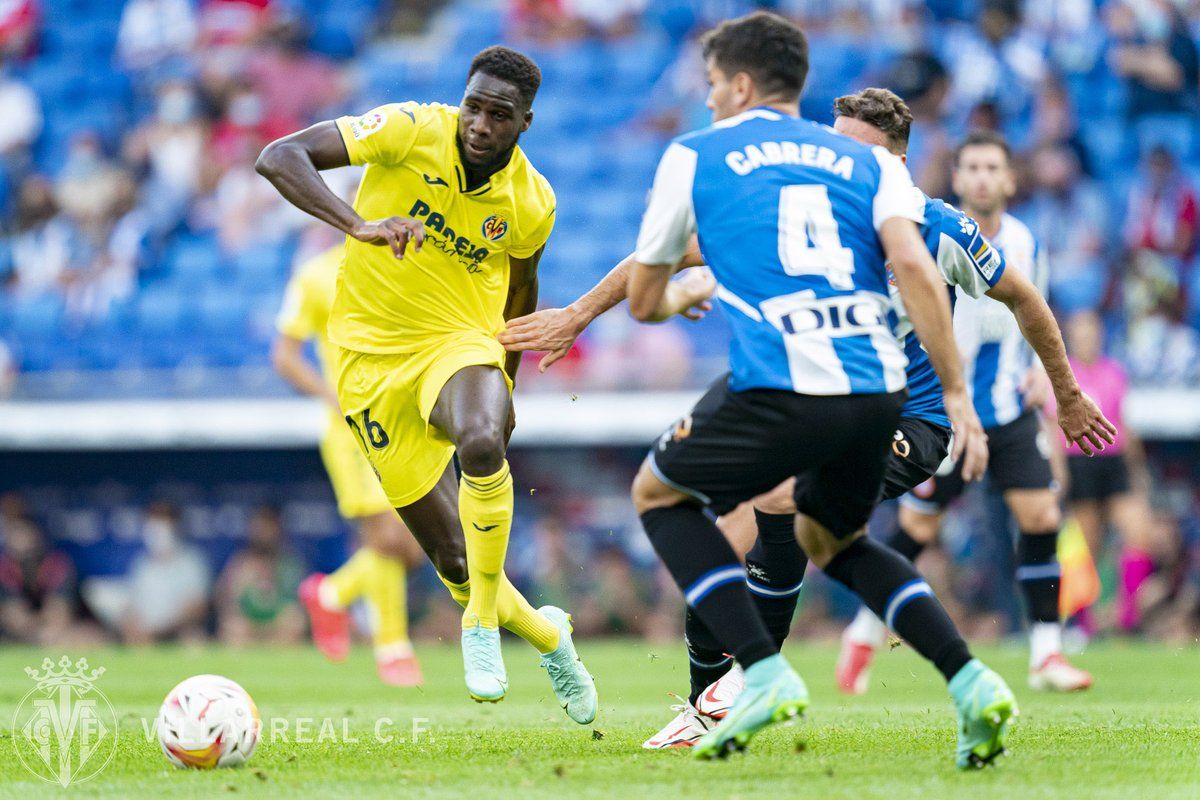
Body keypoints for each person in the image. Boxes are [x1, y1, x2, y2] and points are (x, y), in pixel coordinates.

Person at [503, 87, 1113, 748]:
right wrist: (576, 314)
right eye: (834, 142)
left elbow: (1024, 298)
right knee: (732, 536)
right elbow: (667, 255)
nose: (834, 158)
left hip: (911, 417)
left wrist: (1069, 395)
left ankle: (758, 676)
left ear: (897, 160)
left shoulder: (932, 226)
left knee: (783, 502)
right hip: (818, 403)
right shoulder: (802, 214)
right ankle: (710, 706)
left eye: (854, 149)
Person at [623, 11, 1009, 766]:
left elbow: (644, 300)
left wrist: (678, 297)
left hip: (785, 377)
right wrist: (958, 394)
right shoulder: (866, 166)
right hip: (875, 385)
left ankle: (757, 674)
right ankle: (972, 681)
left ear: (738, 84)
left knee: (659, 495)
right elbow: (918, 268)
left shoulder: (696, 154)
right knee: (836, 538)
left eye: (709, 85)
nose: (705, 100)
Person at [254, 45, 596, 721]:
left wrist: (507, 389)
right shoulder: (409, 129)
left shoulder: (532, 202)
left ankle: (475, 629)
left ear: (525, 122)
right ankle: (551, 639)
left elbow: (521, 295)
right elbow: (278, 156)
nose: (480, 124)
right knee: (455, 559)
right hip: (367, 364)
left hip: (456, 343)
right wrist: (358, 224)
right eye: (474, 106)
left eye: (499, 115)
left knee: (479, 440)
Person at [841, 131, 1101, 694]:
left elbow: (1030, 314)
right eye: (973, 167)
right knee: (917, 530)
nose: (983, 177)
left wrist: (1040, 372)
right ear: (957, 179)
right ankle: (862, 633)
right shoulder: (928, 235)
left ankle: (1046, 654)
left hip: (1007, 411)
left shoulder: (1027, 242)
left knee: (1040, 518)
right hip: (948, 416)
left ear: (1009, 180)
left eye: (993, 167)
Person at [273, 244, 426, 686]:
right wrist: (331, 398)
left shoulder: (406, 262)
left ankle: (331, 592)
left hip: (404, 420)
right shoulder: (315, 274)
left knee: (416, 547)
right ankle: (393, 648)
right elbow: (284, 355)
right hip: (354, 430)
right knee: (388, 536)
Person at [1056, 311, 1158, 633]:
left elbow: (1123, 422)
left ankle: (1128, 614)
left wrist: (1137, 467)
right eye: (1081, 332)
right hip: (1079, 460)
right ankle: (1085, 623)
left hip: (1112, 459)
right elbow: (1050, 425)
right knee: (1088, 545)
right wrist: (1059, 470)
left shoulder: (1114, 372)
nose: (1087, 338)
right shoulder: (1062, 373)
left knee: (1139, 532)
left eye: (1092, 332)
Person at [216, 506, 307, 647]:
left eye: (269, 528)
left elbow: (298, 602)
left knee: (294, 621)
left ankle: (278, 663)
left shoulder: (290, 562)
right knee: (234, 626)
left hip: (278, 620)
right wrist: (241, 585)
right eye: (260, 528)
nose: (264, 533)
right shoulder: (240, 562)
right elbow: (225, 601)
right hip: (247, 621)